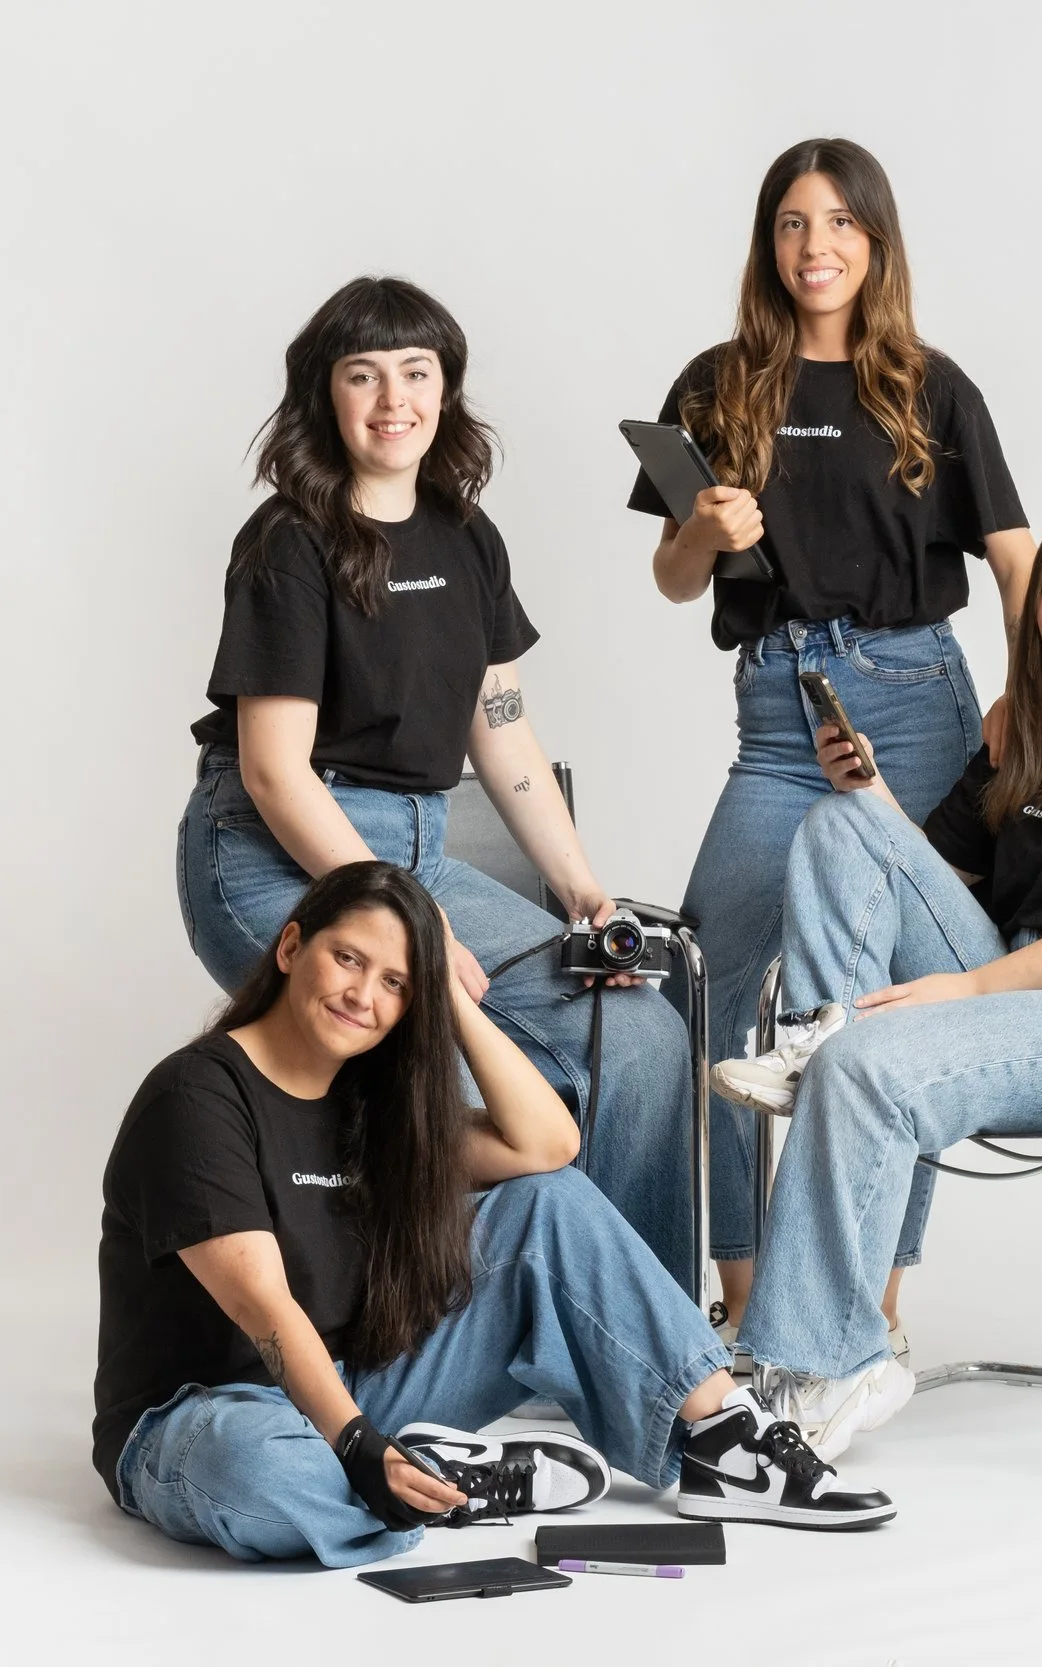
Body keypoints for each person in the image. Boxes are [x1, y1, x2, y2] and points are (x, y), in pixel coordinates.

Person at [97, 862, 895, 1565]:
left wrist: (452, 996)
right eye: (348, 958)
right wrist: (358, 1444)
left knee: (547, 1206)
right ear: (290, 947)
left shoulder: (369, 1103)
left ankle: (725, 1442)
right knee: (262, 1474)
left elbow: (547, 1145)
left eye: (394, 983)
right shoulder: (198, 1095)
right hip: (203, 1416)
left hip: (356, 1387)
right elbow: (260, 1303)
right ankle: (439, 1486)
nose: (362, 996)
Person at [179, 275, 701, 1290]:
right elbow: (276, 774)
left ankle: (654, 1323)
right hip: (275, 856)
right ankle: (445, 1323)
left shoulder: (466, 535)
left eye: (416, 373)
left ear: (446, 389)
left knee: (634, 1021)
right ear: (323, 397)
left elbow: (501, 732)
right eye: (363, 375)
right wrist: (414, 925)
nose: (392, 400)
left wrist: (582, 887)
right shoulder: (288, 544)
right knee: (431, 1051)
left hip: (419, 851)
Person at [708, 505, 1042, 1460]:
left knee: (869, 1066)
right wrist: (867, 790)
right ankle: (822, 1029)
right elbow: (917, 875)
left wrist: (968, 991)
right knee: (839, 825)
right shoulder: (1024, 733)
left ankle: (827, 1362)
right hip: (1022, 974)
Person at [627, 137, 1038, 1355]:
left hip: (914, 702)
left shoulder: (930, 384)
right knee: (694, 995)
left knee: (886, 1015)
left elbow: (1016, 559)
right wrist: (703, 529)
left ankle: (872, 1306)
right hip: (775, 706)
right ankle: (749, 1296)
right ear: (769, 244)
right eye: (794, 224)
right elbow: (669, 580)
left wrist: (1023, 714)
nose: (816, 247)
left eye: (840, 224)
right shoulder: (714, 382)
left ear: (876, 241)